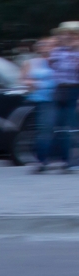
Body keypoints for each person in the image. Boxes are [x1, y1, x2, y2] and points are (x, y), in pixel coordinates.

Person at [25, 37, 59, 172]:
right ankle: (41, 160)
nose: (46, 47)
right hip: (42, 99)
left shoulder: (61, 61)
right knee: (45, 130)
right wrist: (30, 83)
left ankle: (63, 159)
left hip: (61, 97)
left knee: (63, 129)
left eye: (50, 45)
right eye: (43, 44)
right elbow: (24, 80)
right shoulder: (31, 62)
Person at [51, 25, 79, 172]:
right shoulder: (57, 52)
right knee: (61, 126)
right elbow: (54, 68)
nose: (66, 37)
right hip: (61, 89)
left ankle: (73, 160)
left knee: (74, 126)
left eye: (70, 35)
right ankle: (64, 160)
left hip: (75, 89)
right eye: (63, 34)